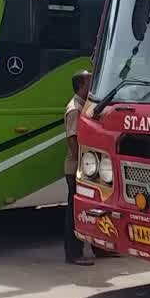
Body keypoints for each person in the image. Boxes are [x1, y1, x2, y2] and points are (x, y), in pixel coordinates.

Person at [65, 70, 95, 266]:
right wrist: (81, 164)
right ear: (81, 86)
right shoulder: (75, 108)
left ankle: (100, 249)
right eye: (89, 82)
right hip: (76, 168)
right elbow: (72, 138)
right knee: (73, 213)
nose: (92, 86)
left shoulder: (85, 105)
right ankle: (73, 253)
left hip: (86, 167)